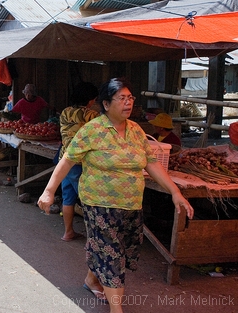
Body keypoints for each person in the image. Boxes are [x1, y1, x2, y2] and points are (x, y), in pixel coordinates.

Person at [38, 77, 194, 310]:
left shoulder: (136, 131)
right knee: (112, 256)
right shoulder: (92, 130)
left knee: (120, 249)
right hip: (99, 204)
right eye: (121, 98)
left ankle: (91, 279)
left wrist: (175, 192)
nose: (128, 103)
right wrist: (49, 191)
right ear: (106, 104)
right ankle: (116, 308)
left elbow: (151, 163)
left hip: (131, 204)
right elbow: (67, 161)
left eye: (130, 98)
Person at [57, 81, 99, 242]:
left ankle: (68, 232)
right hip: (79, 162)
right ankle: (94, 239)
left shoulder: (65, 112)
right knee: (89, 200)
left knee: (68, 199)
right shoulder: (91, 115)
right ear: (90, 100)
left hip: (64, 161)